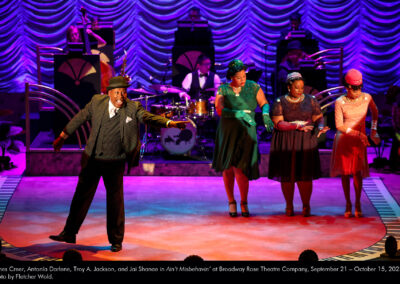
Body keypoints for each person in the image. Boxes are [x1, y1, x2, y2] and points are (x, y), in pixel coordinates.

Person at [49, 76, 189, 252]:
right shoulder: (96, 102)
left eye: (124, 92)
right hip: (93, 158)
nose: (121, 96)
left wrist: (169, 122)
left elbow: (148, 117)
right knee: (80, 197)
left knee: (115, 201)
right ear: (109, 93)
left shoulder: (132, 107)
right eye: (117, 92)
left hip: (115, 161)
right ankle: (69, 232)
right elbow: (79, 118)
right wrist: (63, 136)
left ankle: (116, 240)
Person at [212, 59, 274, 217]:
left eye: (244, 76)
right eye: (238, 77)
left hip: (246, 130)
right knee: (227, 167)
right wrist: (236, 113)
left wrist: (266, 114)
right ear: (231, 76)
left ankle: (244, 201)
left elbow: (264, 103)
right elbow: (219, 109)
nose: (242, 79)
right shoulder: (223, 89)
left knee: (241, 168)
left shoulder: (253, 86)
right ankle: (231, 201)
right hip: (228, 130)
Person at [268, 72, 329, 217]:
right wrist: (297, 127)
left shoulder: (311, 100)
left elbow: (318, 118)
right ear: (289, 87)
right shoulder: (280, 101)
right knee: (288, 175)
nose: (300, 90)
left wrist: (320, 127)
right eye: (297, 88)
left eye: (302, 87)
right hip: (287, 141)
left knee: (305, 175)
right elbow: (278, 124)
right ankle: (289, 205)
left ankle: (306, 205)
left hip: (305, 142)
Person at [330, 69, 380, 218]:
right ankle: (348, 203)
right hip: (344, 141)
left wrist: (373, 131)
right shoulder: (340, 102)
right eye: (354, 89)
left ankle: (357, 202)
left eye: (360, 88)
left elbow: (375, 112)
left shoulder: (367, 98)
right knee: (345, 173)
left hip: (359, 142)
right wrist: (358, 133)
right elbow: (339, 126)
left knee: (357, 173)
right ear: (347, 87)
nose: (358, 91)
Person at [386, 85, 400, 172]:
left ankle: (396, 164)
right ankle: (393, 164)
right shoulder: (395, 106)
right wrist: (396, 128)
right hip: (397, 129)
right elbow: (394, 118)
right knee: (395, 146)